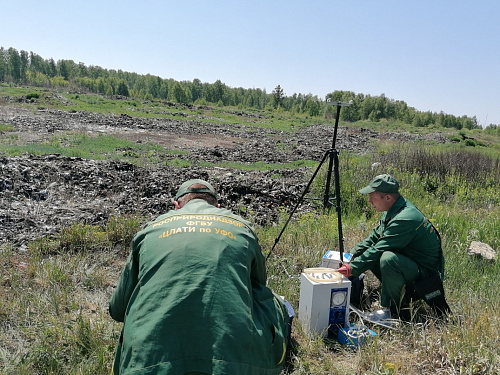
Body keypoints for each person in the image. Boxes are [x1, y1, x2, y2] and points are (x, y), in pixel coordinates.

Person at [109, 179, 292, 375]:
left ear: (177, 205)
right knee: (276, 303)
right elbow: (258, 286)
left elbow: (117, 310)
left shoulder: (150, 230)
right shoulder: (241, 227)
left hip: (146, 365)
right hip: (237, 365)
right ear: (217, 206)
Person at [337, 174, 445, 321]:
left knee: (387, 258)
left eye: (372, 197)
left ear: (387, 197)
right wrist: (351, 255)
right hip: (411, 264)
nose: (369, 201)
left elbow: (379, 249)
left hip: (425, 277)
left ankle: (394, 312)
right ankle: (398, 293)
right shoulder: (394, 210)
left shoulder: (405, 218)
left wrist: (351, 268)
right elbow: (374, 238)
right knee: (370, 254)